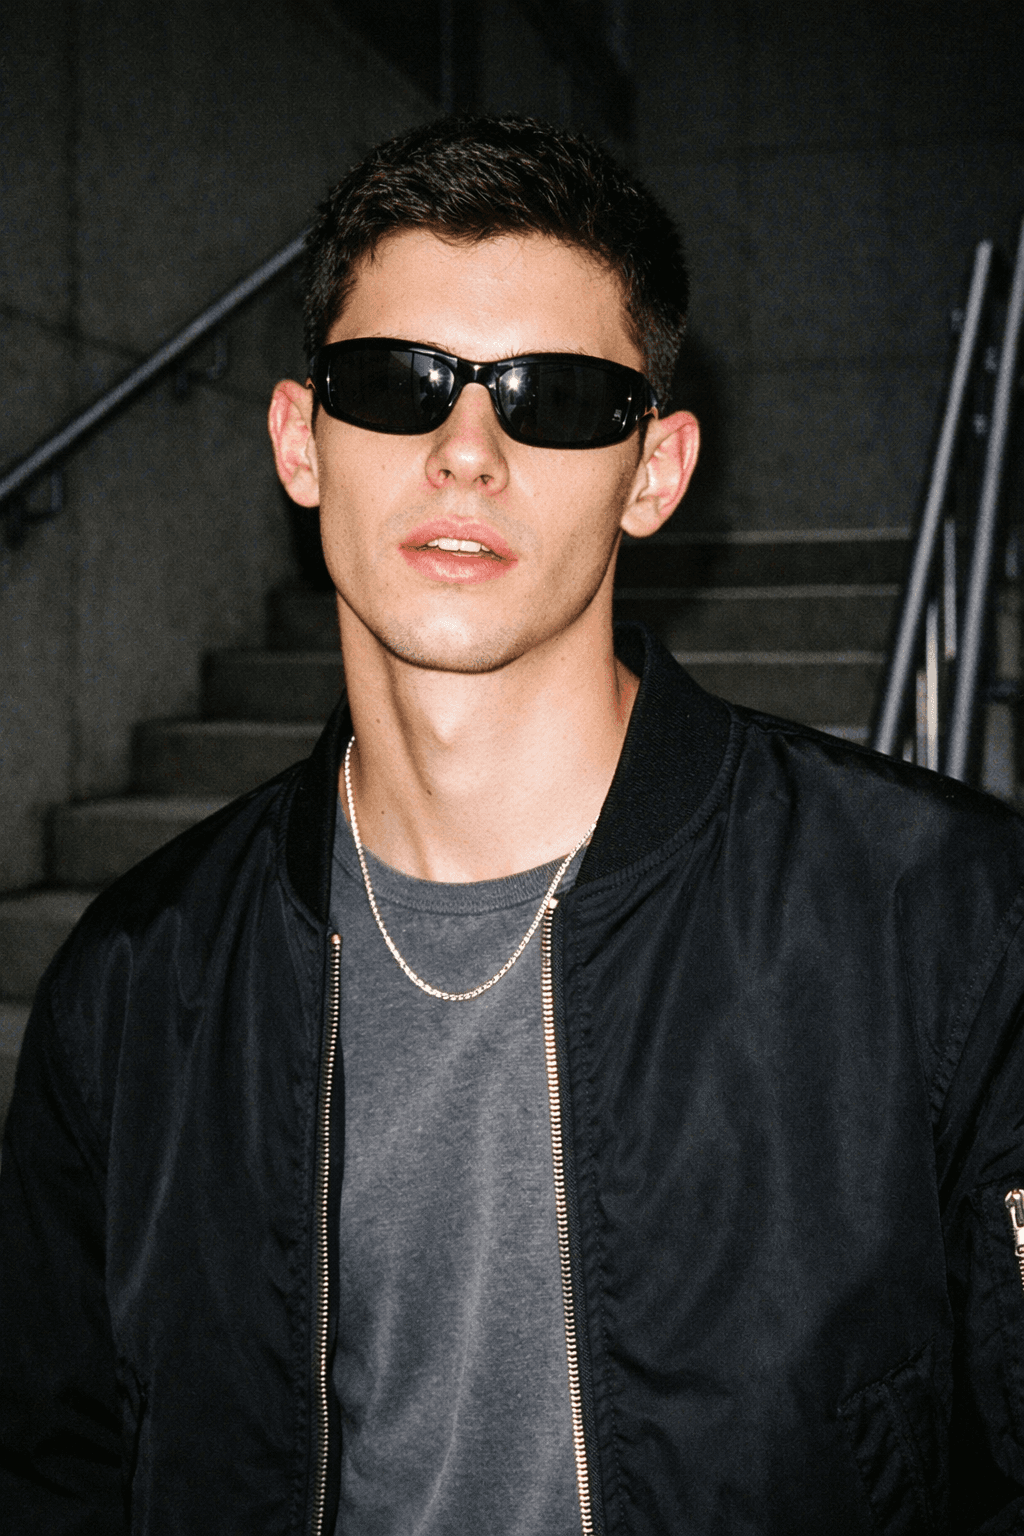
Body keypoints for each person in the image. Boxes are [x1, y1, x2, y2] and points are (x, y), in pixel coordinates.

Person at [2, 114, 1024, 1536]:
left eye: (552, 396)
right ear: (302, 440)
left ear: (654, 473)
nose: (465, 448)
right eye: (394, 384)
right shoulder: (134, 985)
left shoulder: (947, 927)